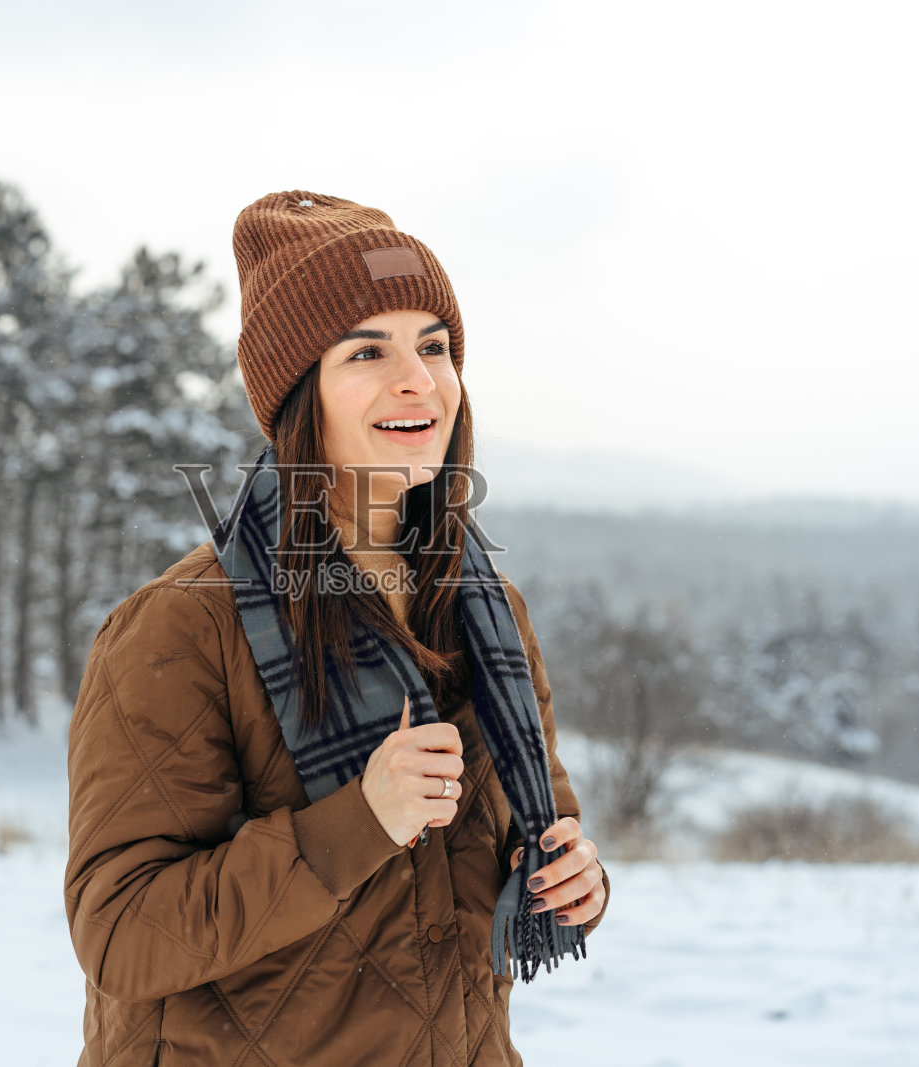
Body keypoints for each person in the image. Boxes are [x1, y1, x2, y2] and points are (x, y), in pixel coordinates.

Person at [64, 190, 608, 1065]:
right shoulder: (181, 626)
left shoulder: (488, 612)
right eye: (367, 350)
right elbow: (123, 933)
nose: (418, 379)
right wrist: (359, 821)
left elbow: (538, 824)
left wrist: (573, 876)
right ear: (298, 394)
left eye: (435, 345)